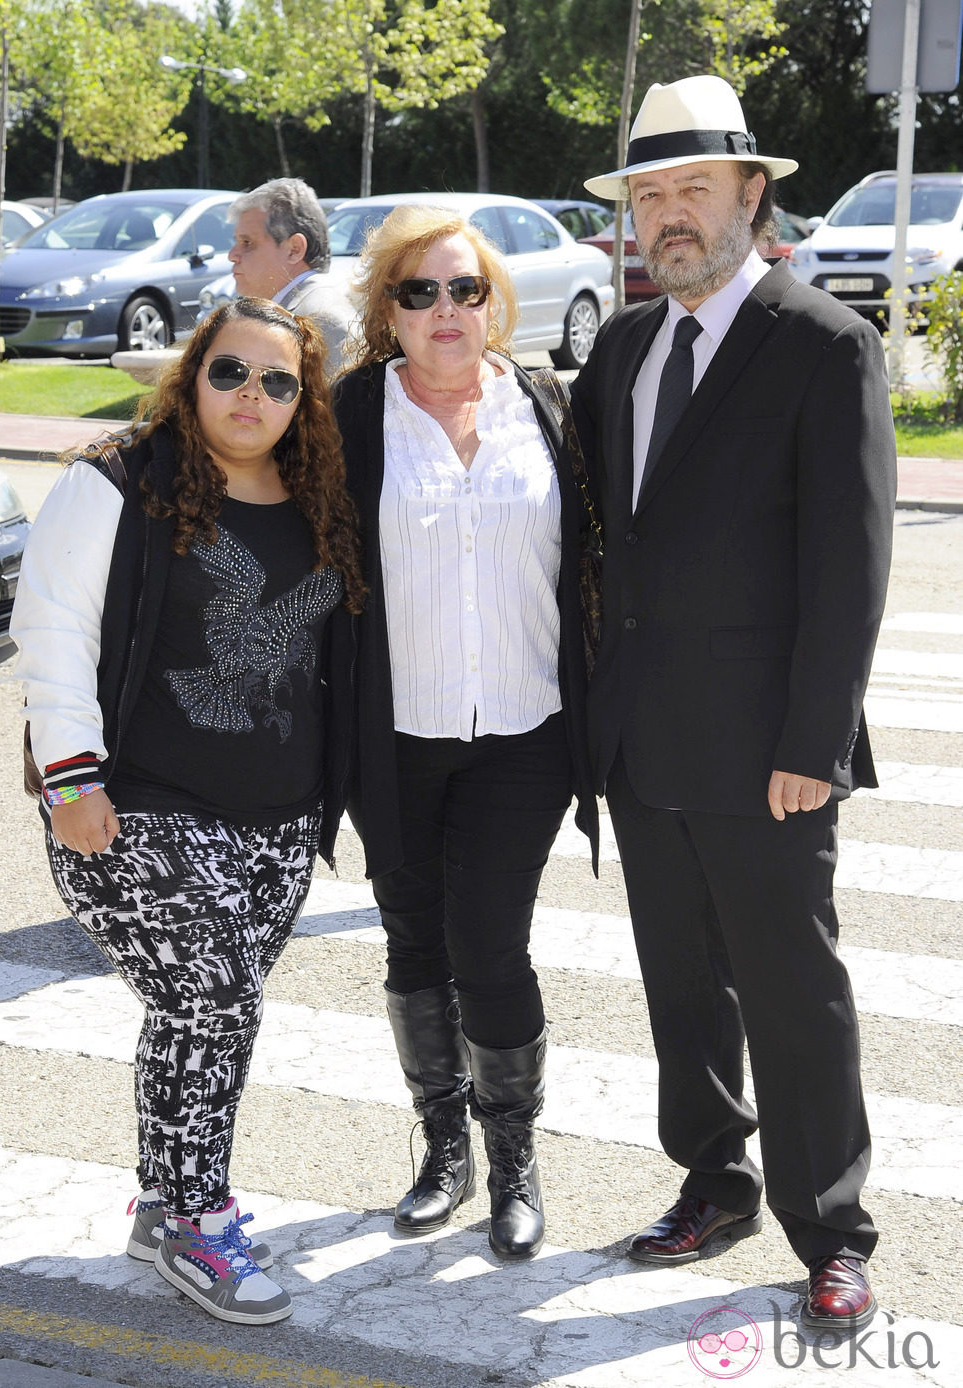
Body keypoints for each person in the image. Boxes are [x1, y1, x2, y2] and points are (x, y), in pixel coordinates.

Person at [574, 75, 896, 1330]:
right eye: (647, 194)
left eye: (690, 189)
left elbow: (850, 564)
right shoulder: (620, 347)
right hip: (643, 738)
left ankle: (831, 1225)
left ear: (751, 196)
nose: (666, 215)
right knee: (678, 978)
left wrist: (813, 742)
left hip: (770, 750)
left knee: (788, 983)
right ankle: (712, 1178)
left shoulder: (823, 342)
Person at [10, 297, 365, 1326]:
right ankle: (199, 1220)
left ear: (303, 399)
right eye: (229, 372)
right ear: (190, 373)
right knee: (218, 1000)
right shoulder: (117, 478)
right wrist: (71, 779)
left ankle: (162, 1199)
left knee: (197, 1015)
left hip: (275, 819)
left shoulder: (313, 495)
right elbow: (55, 629)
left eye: (277, 381)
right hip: (133, 811)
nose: (250, 395)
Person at [332, 204, 598, 1262]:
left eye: (466, 289)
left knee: (489, 938)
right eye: (419, 290)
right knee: (413, 937)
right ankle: (441, 1146)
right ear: (386, 308)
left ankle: (512, 1162)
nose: (446, 310)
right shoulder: (346, 414)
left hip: (524, 728)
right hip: (392, 733)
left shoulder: (545, 403)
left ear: (495, 301)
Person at [228, 178, 355, 377]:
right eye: (237, 241)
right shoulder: (293, 310)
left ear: (294, 249)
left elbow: (339, 406)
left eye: (247, 242)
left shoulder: (324, 319)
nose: (232, 255)